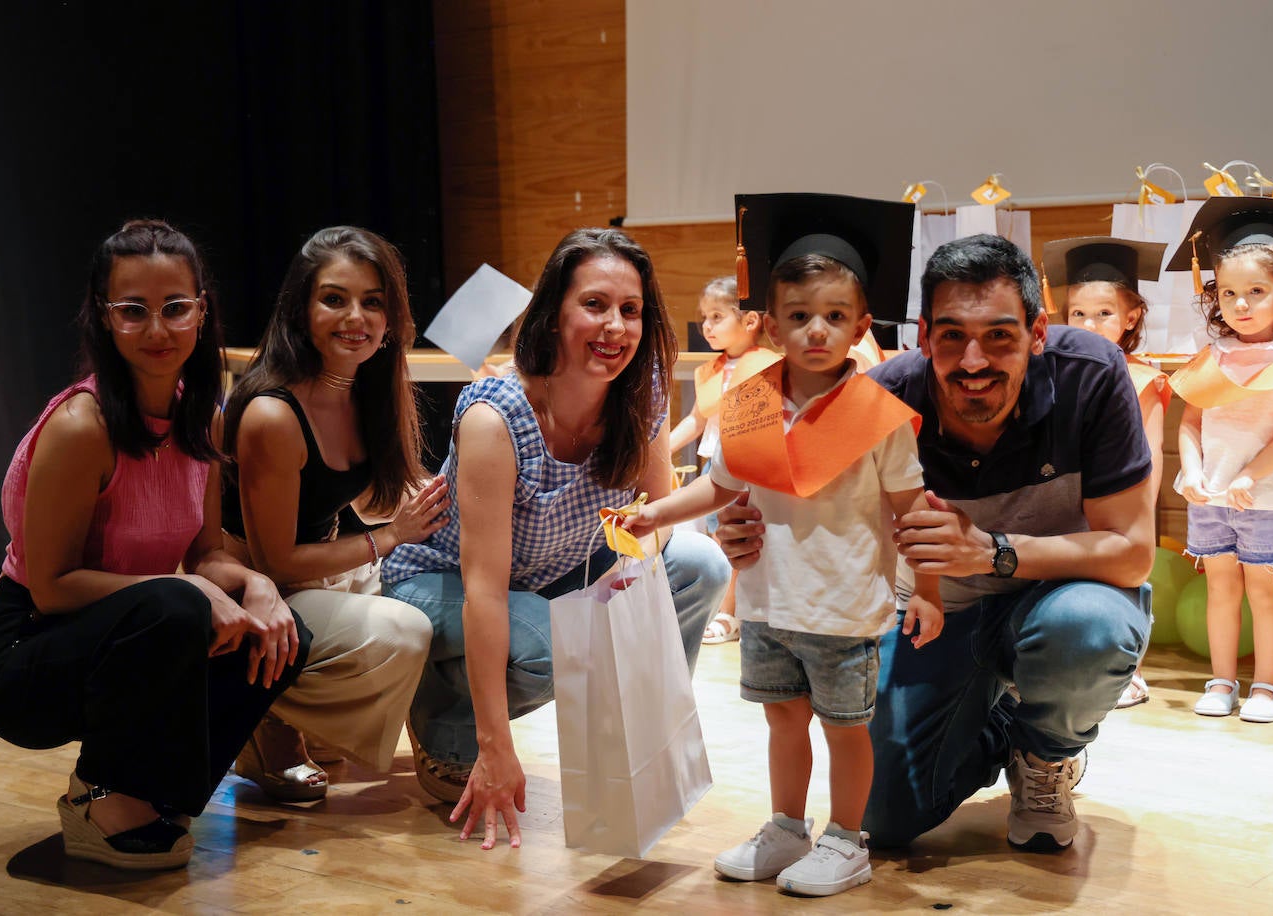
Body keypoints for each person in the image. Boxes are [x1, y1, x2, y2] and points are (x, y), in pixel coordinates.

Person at [715, 233, 1155, 853]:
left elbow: (1133, 553)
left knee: (1088, 628)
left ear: (1038, 332)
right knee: (884, 817)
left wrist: (992, 550)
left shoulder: (1092, 377)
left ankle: (1045, 753)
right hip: (935, 613)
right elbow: (775, 490)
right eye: (952, 335)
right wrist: (736, 527)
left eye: (1000, 334)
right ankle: (1005, 729)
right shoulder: (883, 398)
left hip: (1055, 597)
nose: (974, 360)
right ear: (923, 337)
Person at [0, 220, 309, 870]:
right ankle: (98, 793)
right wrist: (188, 586)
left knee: (284, 632)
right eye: (134, 311)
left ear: (202, 310)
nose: (158, 330)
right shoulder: (82, 425)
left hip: (132, 630)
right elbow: (51, 585)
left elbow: (206, 550)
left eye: (176, 308)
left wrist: (256, 584)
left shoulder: (200, 413)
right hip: (26, 651)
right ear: (105, 317)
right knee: (179, 607)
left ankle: (162, 792)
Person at [630, 193, 941, 897]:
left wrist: (928, 589)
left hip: (844, 605)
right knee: (782, 719)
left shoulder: (879, 418)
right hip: (770, 602)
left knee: (845, 729)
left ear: (863, 325)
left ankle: (845, 840)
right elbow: (717, 488)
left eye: (835, 317)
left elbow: (912, 511)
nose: (817, 332)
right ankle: (785, 827)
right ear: (770, 325)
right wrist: (657, 514)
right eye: (799, 317)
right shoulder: (751, 402)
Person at [381, 228, 730, 849]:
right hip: (439, 583)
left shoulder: (639, 394)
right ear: (552, 315)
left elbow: (656, 523)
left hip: (549, 572)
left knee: (701, 564)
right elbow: (483, 590)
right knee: (556, 643)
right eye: (594, 305)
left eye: (631, 310)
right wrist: (499, 751)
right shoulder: (497, 415)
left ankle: (637, 739)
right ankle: (451, 726)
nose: (616, 326)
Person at [220, 227, 448, 800]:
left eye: (374, 302)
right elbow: (279, 560)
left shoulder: (366, 388)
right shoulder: (273, 413)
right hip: (256, 589)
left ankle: (324, 718)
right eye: (334, 298)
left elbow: (388, 493)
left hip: (318, 569)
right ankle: (261, 715)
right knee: (407, 630)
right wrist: (392, 538)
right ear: (301, 308)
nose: (357, 317)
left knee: (449, 604)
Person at [1165, 197, 1273, 724]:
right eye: (1229, 293)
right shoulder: (1213, 354)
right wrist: (1194, 472)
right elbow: (1188, 420)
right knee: (1220, 585)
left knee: (1265, 590)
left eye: (1256, 291)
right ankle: (1222, 680)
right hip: (1212, 492)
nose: (1241, 304)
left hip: (1266, 494)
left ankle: (1267, 688)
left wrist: (1252, 474)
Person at [1044, 236, 1170, 708]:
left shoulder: (1142, 377)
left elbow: (1152, 451)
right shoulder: (1058, 371)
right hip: (1069, 498)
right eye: (1078, 314)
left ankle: (1129, 671)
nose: (1090, 325)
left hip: (1124, 501)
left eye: (1104, 314)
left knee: (1125, 579)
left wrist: (1142, 511)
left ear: (1131, 316)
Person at [668, 275, 777, 645]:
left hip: (749, 470)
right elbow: (698, 419)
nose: (707, 326)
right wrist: (662, 447)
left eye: (717, 316)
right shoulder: (712, 370)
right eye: (704, 317)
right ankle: (721, 608)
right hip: (712, 467)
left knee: (735, 537)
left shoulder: (769, 365)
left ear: (750, 321)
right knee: (715, 538)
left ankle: (731, 613)